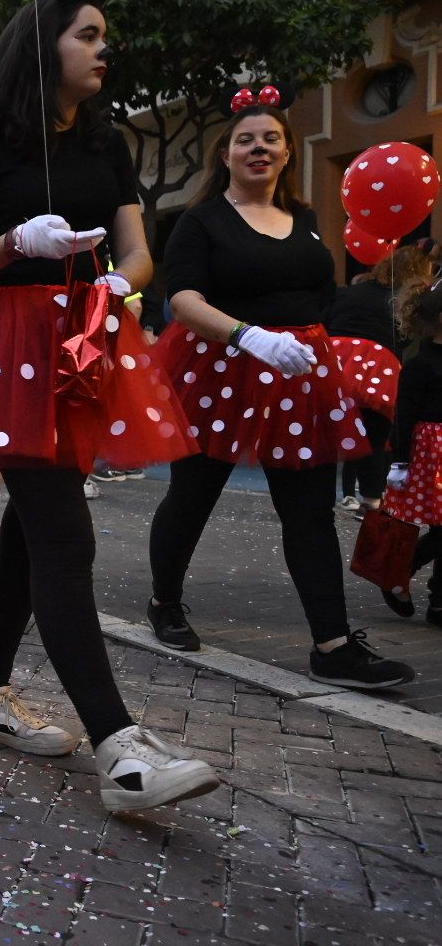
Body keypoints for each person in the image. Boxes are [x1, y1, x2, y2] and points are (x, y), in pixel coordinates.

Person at [0, 0, 220, 813]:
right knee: (64, 537)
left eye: (103, 39)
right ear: (46, 47)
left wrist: (118, 285)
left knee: (42, 535)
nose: (103, 50)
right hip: (3, 356)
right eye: (87, 36)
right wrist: (16, 244)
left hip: (84, 348)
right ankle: (119, 748)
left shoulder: (108, 144)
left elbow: (138, 249)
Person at [149, 93, 417, 690]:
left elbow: (321, 295)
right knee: (192, 497)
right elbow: (184, 300)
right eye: (246, 139)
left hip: (299, 378)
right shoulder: (201, 220)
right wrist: (250, 337)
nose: (259, 148)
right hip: (223, 372)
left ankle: (334, 645)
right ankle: (165, 602)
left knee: (309, 515)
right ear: (227, 153)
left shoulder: (308, 218)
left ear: (288, 151)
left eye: (270, 138)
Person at [326, 246, 429, 516]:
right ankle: (371, 501)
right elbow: (409, 337)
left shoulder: (351, 291)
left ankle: (318, 495)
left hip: (334, 358)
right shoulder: (403, 300)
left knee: (325, 433)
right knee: (374, 437)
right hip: (377, 365)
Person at [386, 285, 442, 628]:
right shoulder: (421, 363)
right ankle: (402, 574)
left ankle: (433, 597)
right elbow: (403, 414)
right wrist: (401, 460)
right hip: (433, 450)